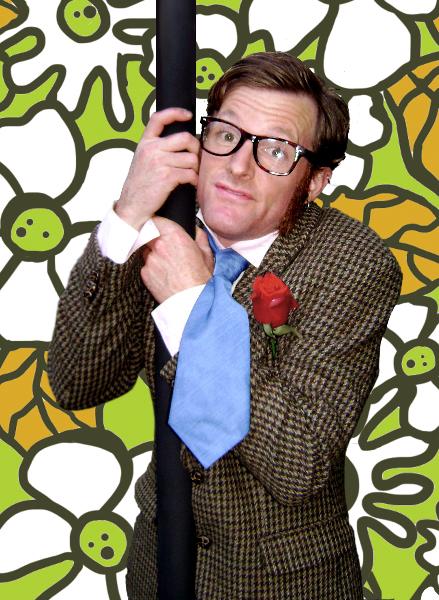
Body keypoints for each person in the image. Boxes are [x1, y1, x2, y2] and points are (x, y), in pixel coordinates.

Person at [48, 52, 402, 599]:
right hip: (159, 568)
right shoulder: (164, 228)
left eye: (276, 150)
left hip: (280, 583)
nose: (238, 166)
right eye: (227, 135)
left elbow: (300, 462)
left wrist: (194, 304)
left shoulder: (355, 262)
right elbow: (78, 383)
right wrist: (126, 215)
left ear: (314, 181)